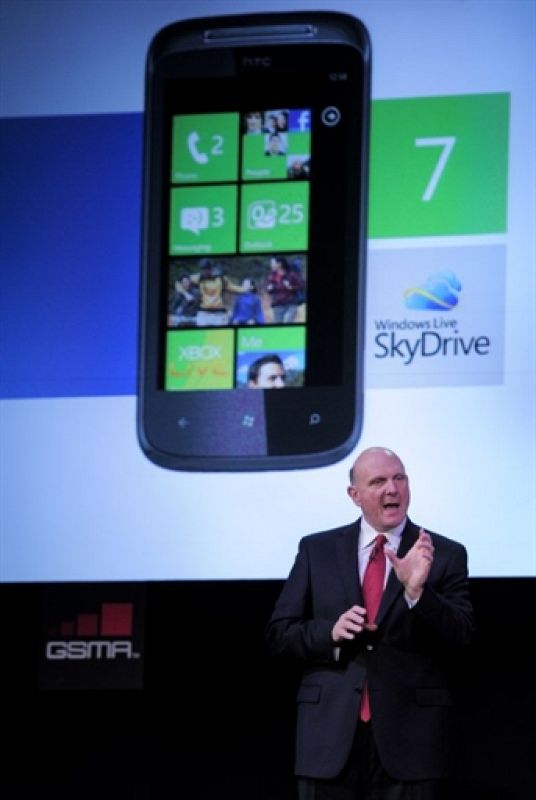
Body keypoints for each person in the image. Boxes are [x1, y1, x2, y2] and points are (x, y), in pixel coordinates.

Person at [266, 446, 473, 799]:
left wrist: (417, 593)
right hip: (328, 740)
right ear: (355, 495)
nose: (392, 489)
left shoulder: (443, 553)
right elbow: (280, 634)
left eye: (399, 478)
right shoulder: (317, 550)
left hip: (410, 743)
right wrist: (329, 633)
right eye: (378, 481)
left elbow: (461, 636)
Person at [266, 255, 304, 323]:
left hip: (291, 304)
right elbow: (269, 290)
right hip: (277, 305)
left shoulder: (291, 274)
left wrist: (291, 287)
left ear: (279, 264)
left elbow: (301, 286)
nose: (271, 265)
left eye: (272, 263)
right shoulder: (271, 275)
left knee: (287, 322)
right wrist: (269, 288)